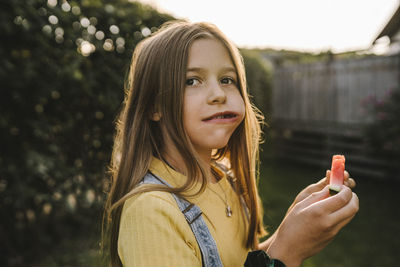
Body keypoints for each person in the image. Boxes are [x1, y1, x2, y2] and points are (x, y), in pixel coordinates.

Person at [103, 20, 359, 267]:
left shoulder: (224, 180)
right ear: (154, 106)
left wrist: (291, 228)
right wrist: (290, 252)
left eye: (227, 79)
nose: (219, 94)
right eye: (191, 80)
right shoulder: (151, 213)